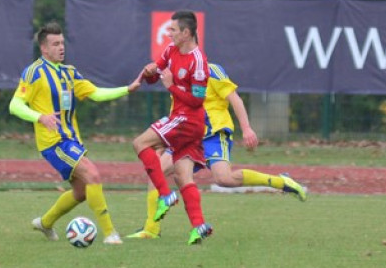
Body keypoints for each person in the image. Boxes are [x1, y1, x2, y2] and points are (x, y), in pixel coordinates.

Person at [128, 62, 308, 239]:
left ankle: (281, 182)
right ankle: (151, 229)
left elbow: (235, 99)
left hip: (213, 134)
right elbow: (154, 72)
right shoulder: (177, 69)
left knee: (224, 179)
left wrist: (246, 128)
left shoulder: (211, 70)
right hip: (187, 134)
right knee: (157, 171)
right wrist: (147, 72)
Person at [9, 22, 142, 245]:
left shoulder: (69, 73)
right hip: (53, 143)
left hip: (72, 140)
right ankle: (111, 234)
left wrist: (127, 89)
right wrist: (40, 117)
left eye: (62, 43)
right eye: (55, 44)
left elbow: (96, 94)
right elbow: (15, 105)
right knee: (93, 175)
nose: (61, 47)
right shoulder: (34, 72)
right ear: (44, 49)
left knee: (81, 192)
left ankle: (45, 222)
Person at [132, 10, 214, 245]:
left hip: (188, 121)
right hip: (184, 121)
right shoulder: (171, 50)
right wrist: (149, 74)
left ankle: (165, 196)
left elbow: (197, 101)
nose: (169, 34)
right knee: (182, 175)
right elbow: (157, 71)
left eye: (173, 30)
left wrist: (171, 86)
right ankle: (198, 227)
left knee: (140, 143)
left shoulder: (199, 62)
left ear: (186, 33)